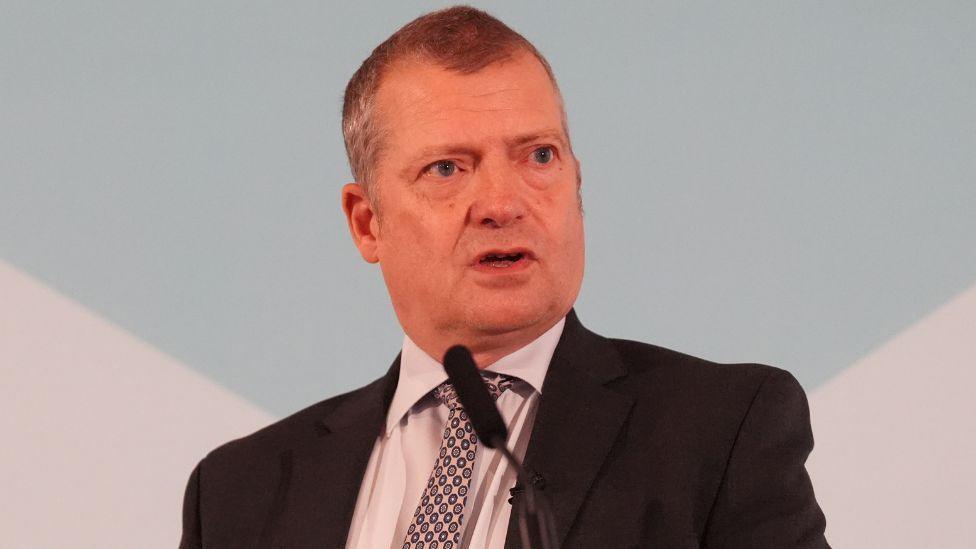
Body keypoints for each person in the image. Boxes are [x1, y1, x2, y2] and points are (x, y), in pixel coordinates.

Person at [179, 6, 829, 549]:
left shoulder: (719, 433)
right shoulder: (240, 491)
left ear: (577, 183)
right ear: (367, 222)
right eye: (447, 168)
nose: (502, 201)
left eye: (538, 155)